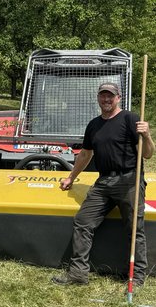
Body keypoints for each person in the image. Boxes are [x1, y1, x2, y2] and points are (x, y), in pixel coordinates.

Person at [53, 82, 154, 287]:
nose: (106, 99)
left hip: (129, 180)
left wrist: (147, 135)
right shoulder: (93, 125)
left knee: (135, 229)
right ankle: (78, 274)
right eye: (103, 95)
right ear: (98, 98)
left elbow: (147, 154)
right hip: (103, 182)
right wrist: (71, 177)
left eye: (110, 96)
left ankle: (137, 277)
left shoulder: (130, 119)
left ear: (118, 98)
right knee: (83, 221)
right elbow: (85, 154)